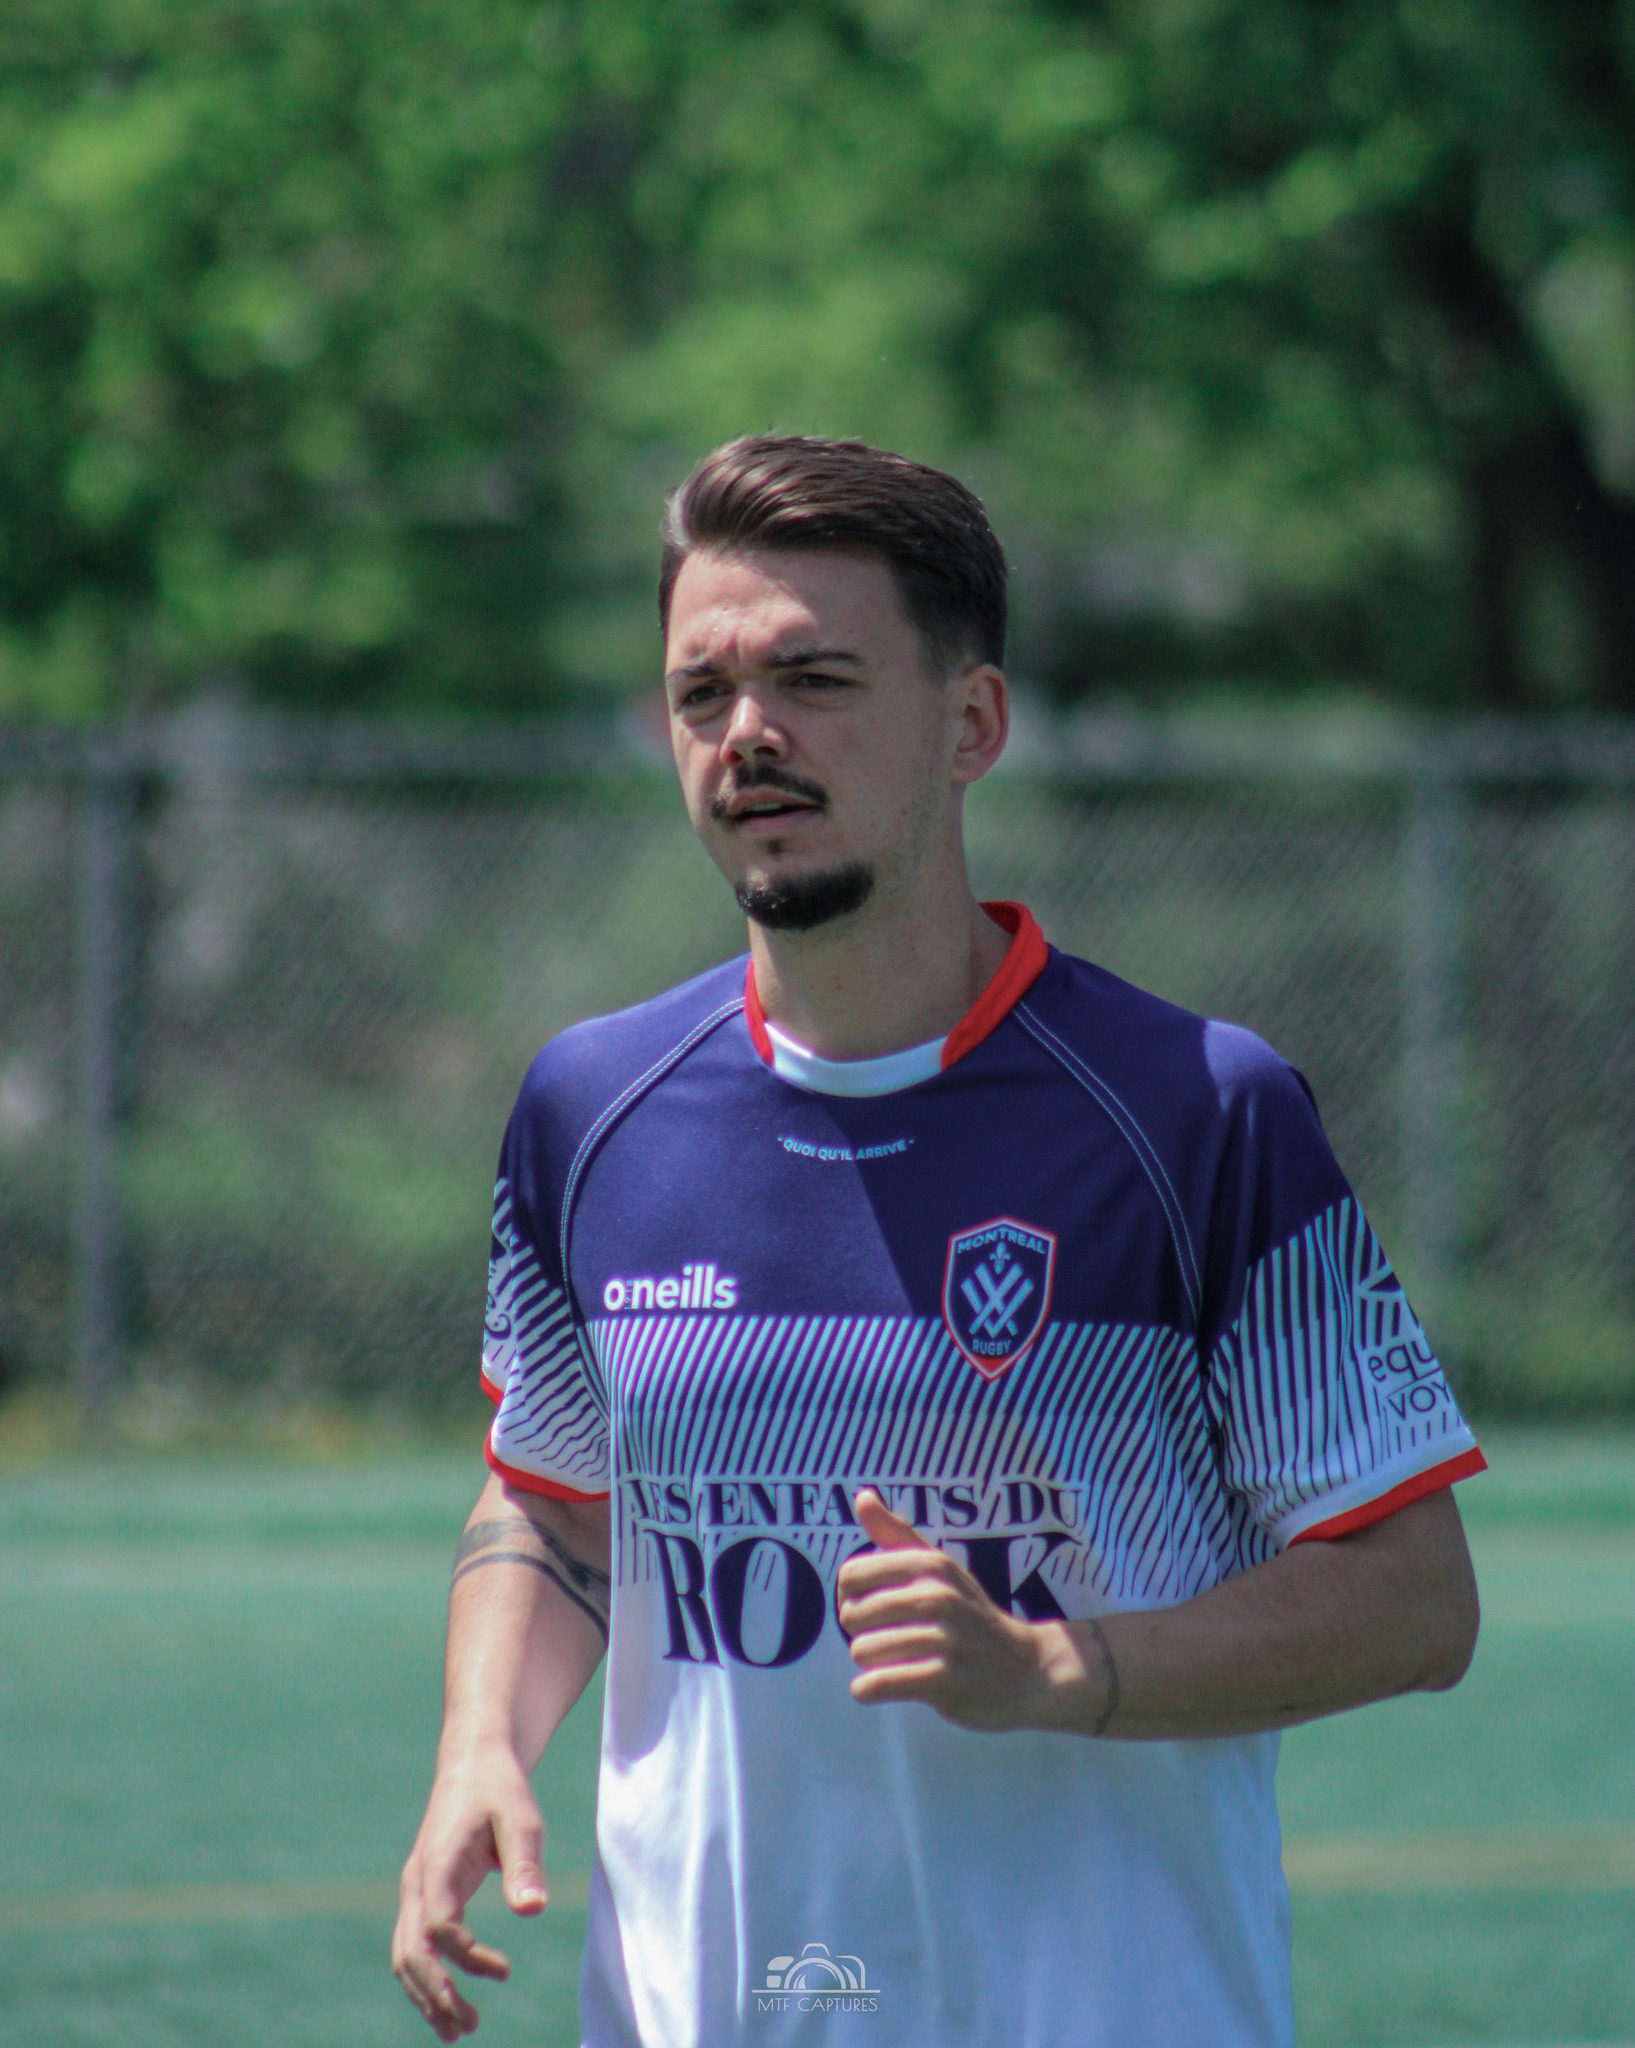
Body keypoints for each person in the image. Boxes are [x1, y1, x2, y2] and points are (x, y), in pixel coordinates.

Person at [392, 435, 1484, 2048]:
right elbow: (553, 1514)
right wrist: (479, 1740)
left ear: (970, 724)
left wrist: (1057, 1669)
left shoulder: (1196, 1112)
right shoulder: (590, 1108)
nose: (748, 734)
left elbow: (1413, 1601)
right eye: (702, 696)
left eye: (814, 679)